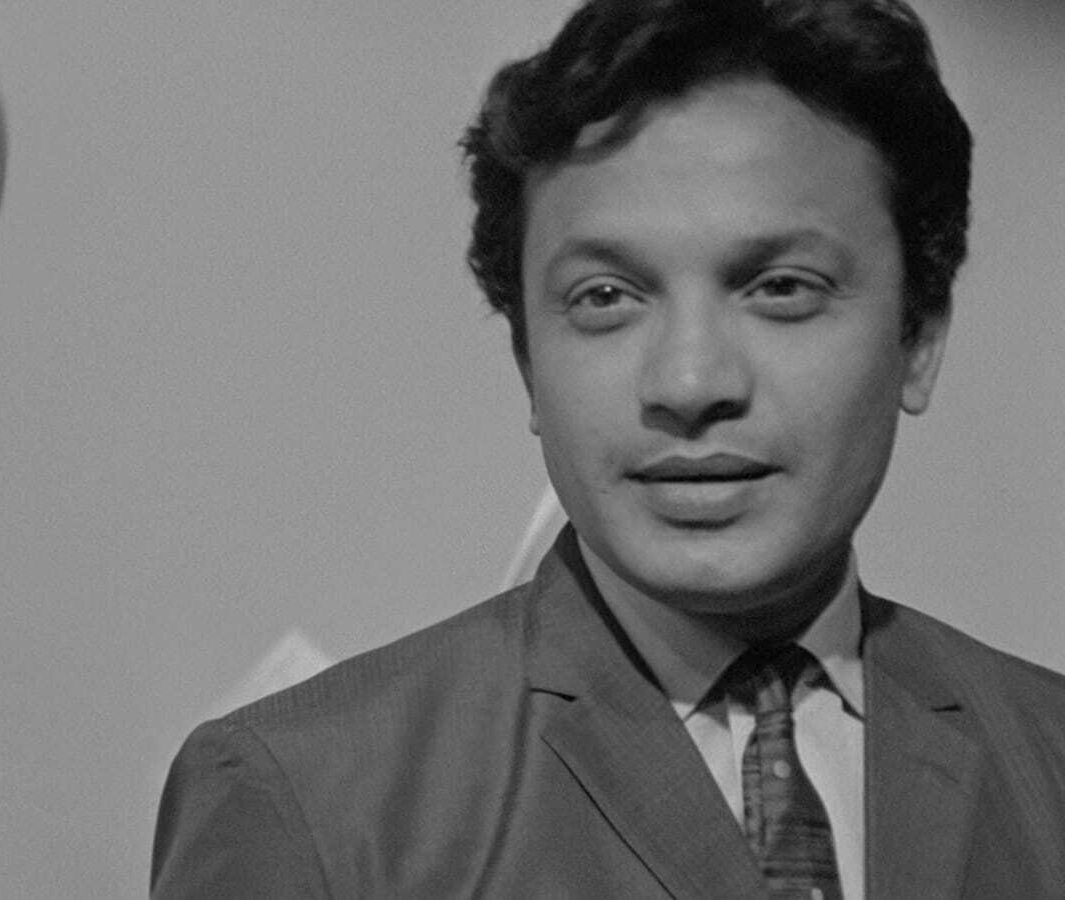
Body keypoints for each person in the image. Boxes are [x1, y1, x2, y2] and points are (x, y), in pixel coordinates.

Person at [150, 0, 1065, 896]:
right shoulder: (314, 800)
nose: (690, 381)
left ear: (919, 337)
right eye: (606, 298)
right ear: (527, 360)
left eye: (781, 288)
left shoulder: (1047, 757)